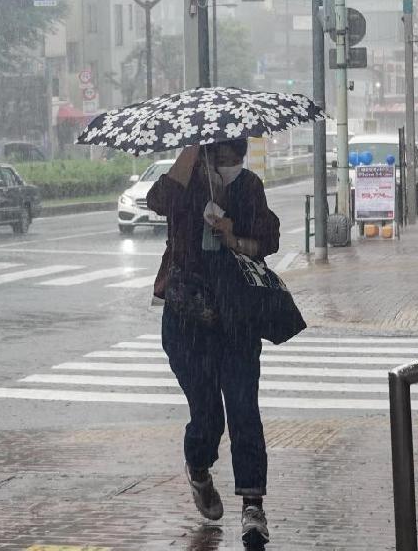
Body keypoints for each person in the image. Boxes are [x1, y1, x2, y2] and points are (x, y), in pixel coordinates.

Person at [146, 139, 280, 547]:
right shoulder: (183, 184)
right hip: (187, 317)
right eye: (217, 156)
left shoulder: (248, 187)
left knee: (243, 410)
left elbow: (268, 241)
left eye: (232, 158)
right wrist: (187, 155)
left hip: (236, 317)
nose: (227, 164)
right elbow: (157, 201)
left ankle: (253, 504)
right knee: (207, 417)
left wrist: (232, 236)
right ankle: (199, 467)